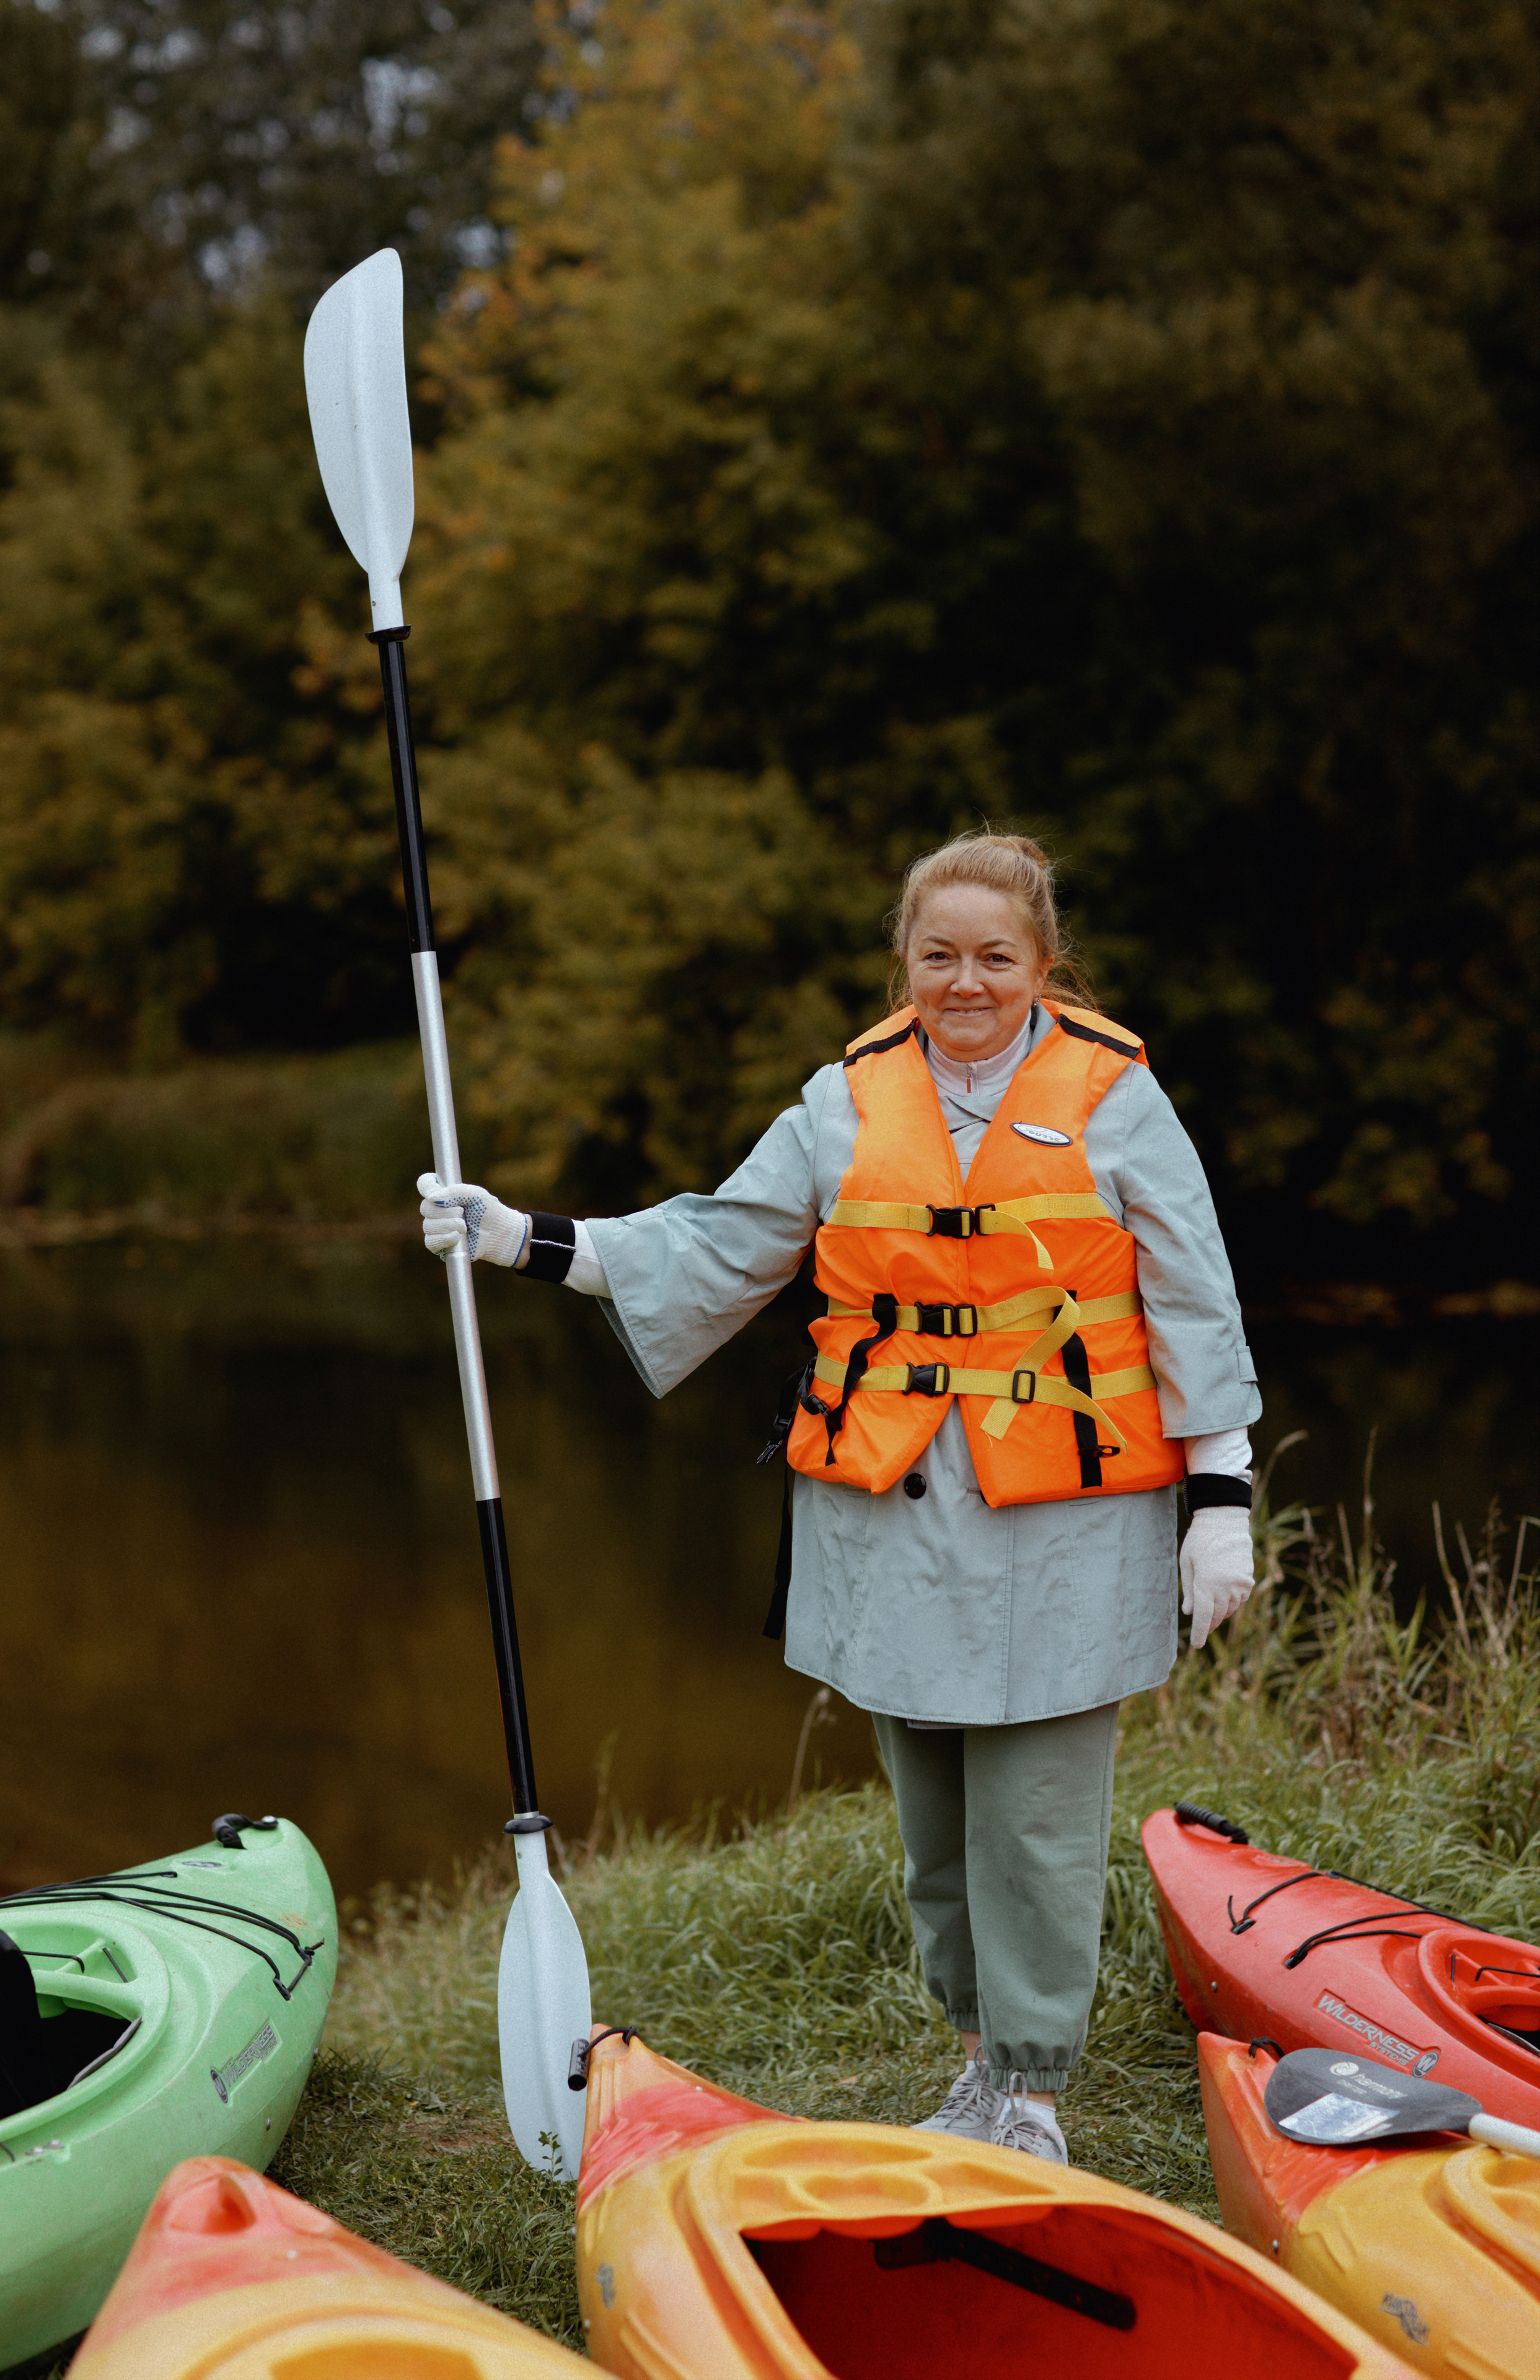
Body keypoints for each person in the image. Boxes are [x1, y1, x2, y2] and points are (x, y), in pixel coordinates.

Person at [419, 829, 1260, 2162]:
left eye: (994, 957)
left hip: (1066, 1518)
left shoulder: (1112, 1099)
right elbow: (723, 1239)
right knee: (932, 1823)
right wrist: (523, 1239)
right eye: (938, 957)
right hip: (893, 1518)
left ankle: (1033, 2099)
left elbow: (1188, 1291)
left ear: (1044, 966)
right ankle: (974, 2064)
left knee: (1035, 1818)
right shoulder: (846, 1099)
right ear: (902, 965)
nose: (964, 981)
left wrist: (1221, 1497)